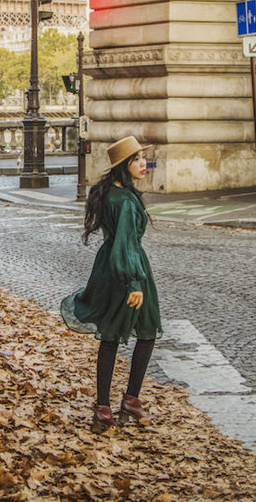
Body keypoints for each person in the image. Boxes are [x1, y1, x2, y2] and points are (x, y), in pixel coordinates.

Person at [61, 135, 162, 432]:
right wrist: (134, 283)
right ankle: (130, 399)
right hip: (127, 270)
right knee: (148, 331)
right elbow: (126, 244)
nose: (144, 164)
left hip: (108, 267)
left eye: (143, 158)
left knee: (109, 337)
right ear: (124, 166)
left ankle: (103, 407)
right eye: (137, 160)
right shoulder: (126, 202)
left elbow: (117, 242)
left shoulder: (109, 193)